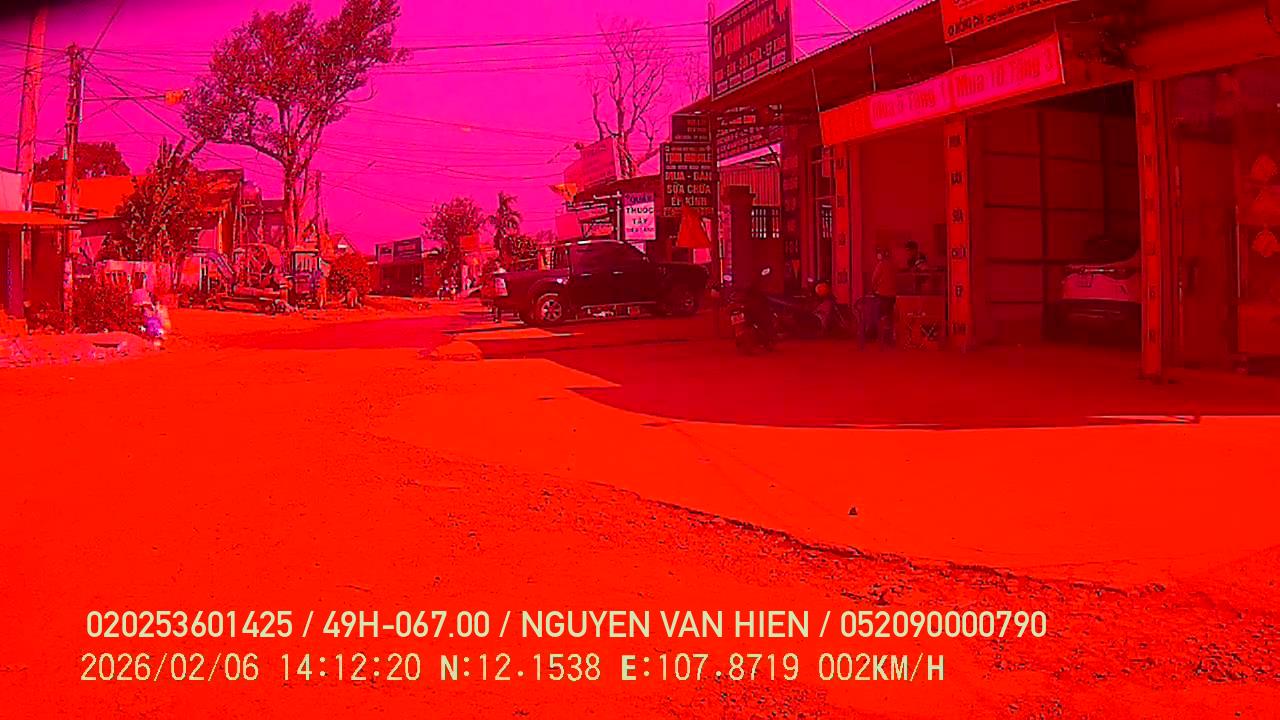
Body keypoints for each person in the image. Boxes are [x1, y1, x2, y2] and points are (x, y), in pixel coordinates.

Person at [869, 246, 897, 345]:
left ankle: (880, 337)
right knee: (889, 316)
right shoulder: (893, 264)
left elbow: (874, 279)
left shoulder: (880, 265)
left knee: (879, 316)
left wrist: (873, 289)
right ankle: (889, 337)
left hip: (882, 294)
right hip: (892, 295)